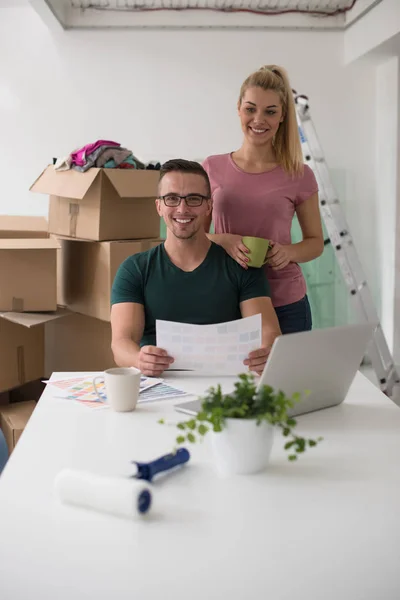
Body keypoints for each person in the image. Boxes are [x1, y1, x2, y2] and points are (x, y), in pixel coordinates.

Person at [110, 159, 281, 377]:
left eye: (194, 199)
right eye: (172, 198)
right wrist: (139, 359)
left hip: (227, 385)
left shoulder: (241, 265)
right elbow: (121, 343)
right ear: (159, 206)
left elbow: (267, 330)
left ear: (209, 206)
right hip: (159, 384)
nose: (182, 209)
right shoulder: (135, 269)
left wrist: (266, 351)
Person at [203, 64, 324, 334]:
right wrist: (224, 240)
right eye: (250, 109)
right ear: (238, 109)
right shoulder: (211, 167)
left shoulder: (299, 174)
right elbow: (191, 238)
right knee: (233, 378)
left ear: (282, 117)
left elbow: (315, 243)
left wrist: (288, 252)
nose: (259, 120)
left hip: (285, 303)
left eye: (270, 112)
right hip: (226, 299)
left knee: (287, 378)